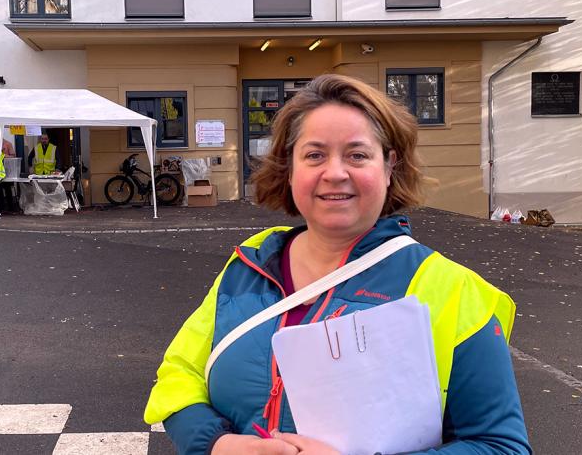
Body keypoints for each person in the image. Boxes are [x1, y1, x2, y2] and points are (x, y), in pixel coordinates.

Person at [144, 74, 530, 455]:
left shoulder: (452, 290)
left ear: (389, 164)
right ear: (290, 167)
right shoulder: (249, 264)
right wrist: (217, 444)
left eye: (357, 155)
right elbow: (180, 375)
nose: (334, 173)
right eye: (314, 155)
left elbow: (501, 446)